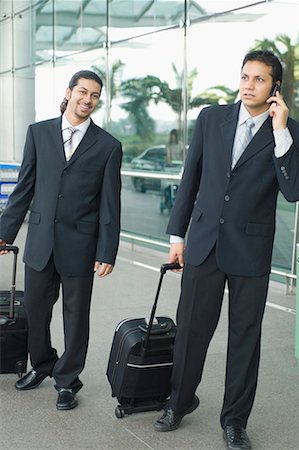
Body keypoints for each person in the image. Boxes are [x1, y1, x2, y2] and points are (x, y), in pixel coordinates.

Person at [154, 51, 299, 449]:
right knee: (190, 333)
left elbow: (293, 189)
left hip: (250, 249)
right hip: (203, 243)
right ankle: (178, 403)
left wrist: (282, 129)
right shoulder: (210, 118)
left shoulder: (288, 131)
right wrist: (176, 237)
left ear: (275, 88)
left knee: (244, 340)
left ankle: (234, 421)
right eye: (245, 76)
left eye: (259, 79)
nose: (249, 84)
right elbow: (191, 179)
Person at [0, 70, 122, 411]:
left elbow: (111, 204)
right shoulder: (38, 133)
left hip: (80, 246)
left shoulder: (109, 146)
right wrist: (4, 233)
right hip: (40, 241)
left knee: (75, 317)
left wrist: (107, 250)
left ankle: (68, 381)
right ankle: (42, 365)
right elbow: (24, 187)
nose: (87, 99)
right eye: (83, 91)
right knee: (36, 311)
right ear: (69, 92)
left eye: (95, 95)